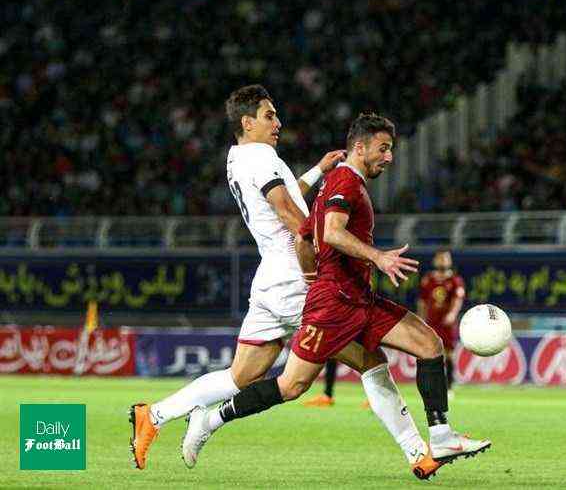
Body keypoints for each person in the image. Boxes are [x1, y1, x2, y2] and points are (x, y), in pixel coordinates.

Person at [129, 86, 436, 479]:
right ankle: (417, 452)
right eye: (269, 115)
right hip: (296, 278)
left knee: (238, 377)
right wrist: (322, 262)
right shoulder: (262, 159)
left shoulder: (237, 158)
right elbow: (293, 216)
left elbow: (283, 196)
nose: (278, 123)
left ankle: (154, 415)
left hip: (269, 278)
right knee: (370, 360)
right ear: (247, 122)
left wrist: (316, 172)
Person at [181, 112, 490, 478]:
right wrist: (376, 258)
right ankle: (210, 419)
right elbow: (331, 232)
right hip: (335, 307)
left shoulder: (337, 181)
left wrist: (312, 274)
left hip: (357, 298)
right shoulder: (344, 180)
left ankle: (439, 436)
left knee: (429, 344)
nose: (389, 157)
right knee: (291, 385)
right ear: (359, 147)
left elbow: (303, 235)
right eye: (384, 149)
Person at [418, 250, 465, 397]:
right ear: (435, 260)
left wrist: (452, 314)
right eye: (440, 258)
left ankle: (450, 386)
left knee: (449, 354)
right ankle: (431, 386)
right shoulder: (428, 280)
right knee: (430, 354)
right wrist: (421, 319)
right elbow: (422, 301)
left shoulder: (455, 280)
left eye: (445, 258)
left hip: (447, 324)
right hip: (432, 322)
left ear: (449, 261)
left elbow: (458, 300)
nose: (442, 261)